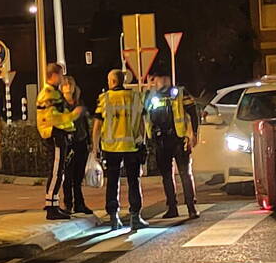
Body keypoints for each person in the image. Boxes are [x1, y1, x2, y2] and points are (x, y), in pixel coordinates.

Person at [92, 69, 147, 231]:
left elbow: (97, 125)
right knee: (134, 181)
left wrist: (95, 146)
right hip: (132, 147)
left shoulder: (105, 99)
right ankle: (135, 216)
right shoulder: (135, 97)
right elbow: (142, 123)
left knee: (112, 182)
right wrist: (142, 142)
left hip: (110, 148)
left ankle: (114, 217)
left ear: (112, 81)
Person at [146, 71, 200, 219]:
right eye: (157, 79)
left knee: (184, 174)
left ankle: (191, 207)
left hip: (179, 139)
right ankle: (172, 207)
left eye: (163, 78)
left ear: (169, 79)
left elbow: (193, 113)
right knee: (166, 176)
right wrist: (149, 89)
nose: (161, 81)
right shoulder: (152, 96)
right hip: (161, 140)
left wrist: (194, 134)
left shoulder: (180, 93)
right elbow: (145, 113)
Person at [36, 63, 82, 220]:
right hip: (54, 134)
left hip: (58, 134)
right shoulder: (48, 94)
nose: (62, 78)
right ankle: (51, 207)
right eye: (61, 75)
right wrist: (73, 116)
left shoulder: (54, 92)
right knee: (57, 171)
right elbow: (54, 117)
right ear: (54, 75)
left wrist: (69, 128)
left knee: (59, 171)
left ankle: (54, 205)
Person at [60, 75, 93, 215]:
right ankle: (68, 204)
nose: (68, 87)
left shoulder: (79, 102)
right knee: (68, 176)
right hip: (68, 144)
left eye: (70, 84)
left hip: (81, 141)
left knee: (78, 176)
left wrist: (89, 141)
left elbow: (85, 123)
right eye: (65, 85)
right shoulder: (60, 105)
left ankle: (79, 204)